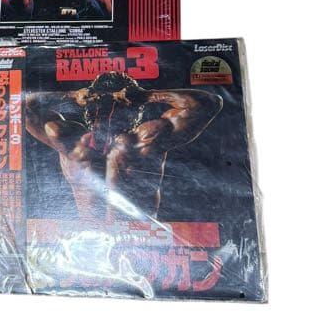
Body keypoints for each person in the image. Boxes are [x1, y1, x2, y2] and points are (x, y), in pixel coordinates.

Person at [24, 71, 223, 221]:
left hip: (92, 243)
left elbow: (23, 107)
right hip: (139, 241)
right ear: (135, 109)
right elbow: (208, 103)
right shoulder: (146, 140)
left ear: (88, 108)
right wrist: (147, 96)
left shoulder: (71, 142)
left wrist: (72, 95)